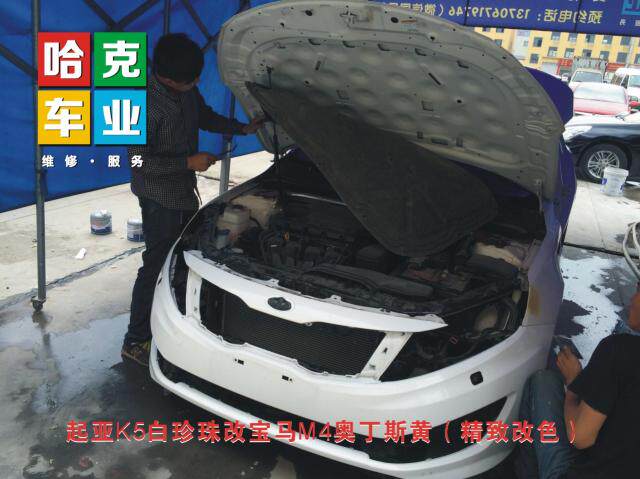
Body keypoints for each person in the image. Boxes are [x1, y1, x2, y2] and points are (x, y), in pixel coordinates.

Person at [121, 33, 263, 366]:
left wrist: (242, 128)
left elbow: (204, 115)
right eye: (191, 80)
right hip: (159, 198)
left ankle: (176, 316)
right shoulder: (140, 106)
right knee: (156, 265)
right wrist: (188, 162)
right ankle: (136, 339)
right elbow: (138, 162)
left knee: (183, 256)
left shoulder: (185, 90)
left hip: (183, 191)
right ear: (168, 78)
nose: (197, 83)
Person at [517, 291, 640, 479]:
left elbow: (581, 438)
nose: (632, 298)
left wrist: (574, 382)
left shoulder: (620, 350)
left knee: (543, 381)